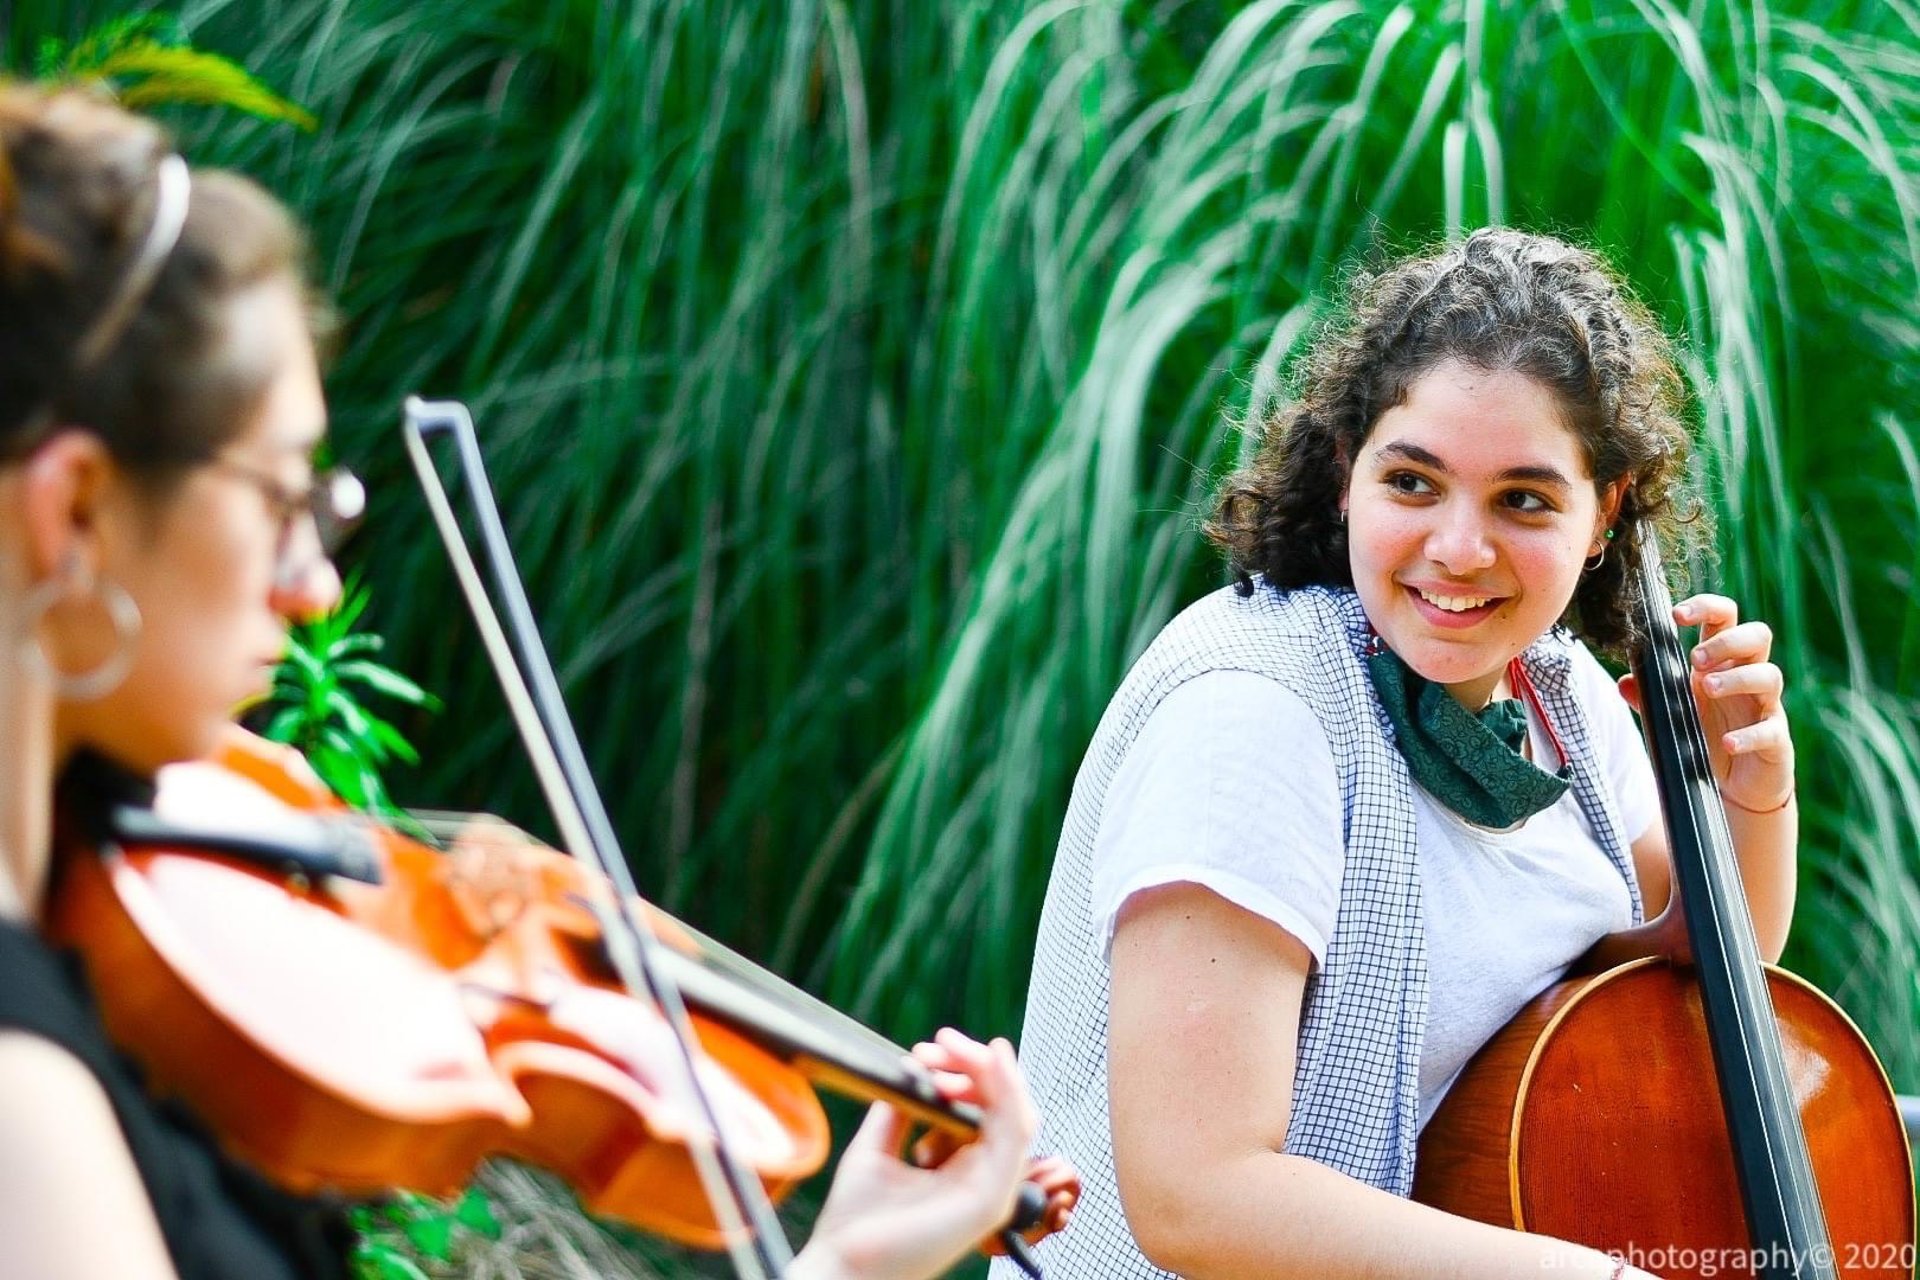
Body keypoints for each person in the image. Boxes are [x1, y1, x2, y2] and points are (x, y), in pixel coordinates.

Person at [0, 81, 1058, 1280]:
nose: (315, 585)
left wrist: (852, 1260)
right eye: (284, 495)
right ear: (76, 510)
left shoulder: (98, 911)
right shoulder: (20, 1105)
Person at [999, 228, 1798, 1279]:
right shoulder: (1253, 713)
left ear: (1603, 514)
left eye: (1523, 498)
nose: (1458, 549)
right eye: (1414, 481)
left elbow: (1701, 970)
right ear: (1347, 470)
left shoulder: (1560, 694)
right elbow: (1195, 1194)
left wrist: (1754, 797)